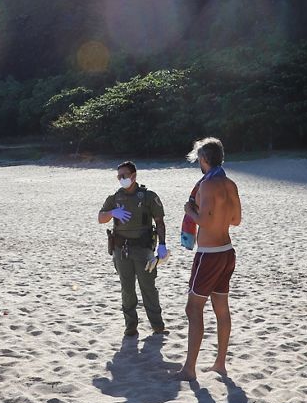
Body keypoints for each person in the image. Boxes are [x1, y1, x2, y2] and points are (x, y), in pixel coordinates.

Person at [177, 137, 241, 381]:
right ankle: (220, 364)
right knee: (221, 309)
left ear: (204, 160)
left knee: (193, 308)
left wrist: (189, 211)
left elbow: (203, 220)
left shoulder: (207, 186)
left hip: (209, 255)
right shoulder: (230, 184)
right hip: (227, 251)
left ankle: (189, 369)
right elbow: (235, 220)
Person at [97, 161, 169, 337]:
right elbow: (100, 218)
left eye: (124, 175)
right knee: (127, 289)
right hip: (121, 249)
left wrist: (162, 244)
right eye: (119, 176)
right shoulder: (114, 198)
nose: (121, 179)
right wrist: (112, 213)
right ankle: (131, 326)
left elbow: (159, 222)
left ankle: (157, 325)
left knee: (148, 287)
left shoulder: (148, 196)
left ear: (134, 176)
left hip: (143, 249)